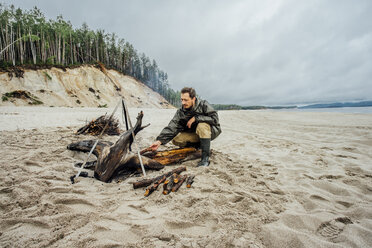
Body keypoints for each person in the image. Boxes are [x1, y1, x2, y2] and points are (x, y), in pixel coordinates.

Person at [149, 87, 221, 166]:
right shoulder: (181, 112)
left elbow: (215, 119)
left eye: (186, 100)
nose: (183, 103)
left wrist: (196, 118)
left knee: (202, 125)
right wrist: (159, 141)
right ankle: (198, 146)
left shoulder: (203, 104)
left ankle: (205, 159)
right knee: (176, 140)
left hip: (211, 132)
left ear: (193, 99)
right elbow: (173, 126)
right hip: (195, 134)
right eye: (182, 100)